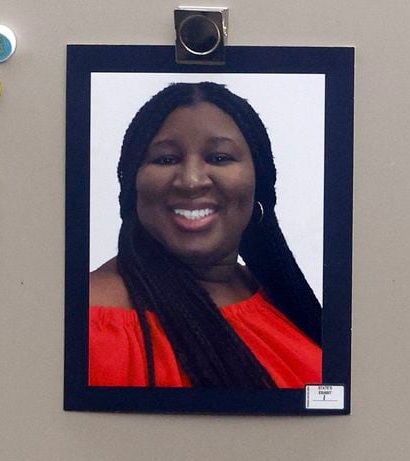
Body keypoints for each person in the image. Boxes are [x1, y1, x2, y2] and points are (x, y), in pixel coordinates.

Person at [89, 82, 322, 389]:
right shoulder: (91, 323)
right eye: (166, 159)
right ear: (132, 186)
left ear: (259, 182)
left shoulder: (284, 300)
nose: (191, 181)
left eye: (220, 157)